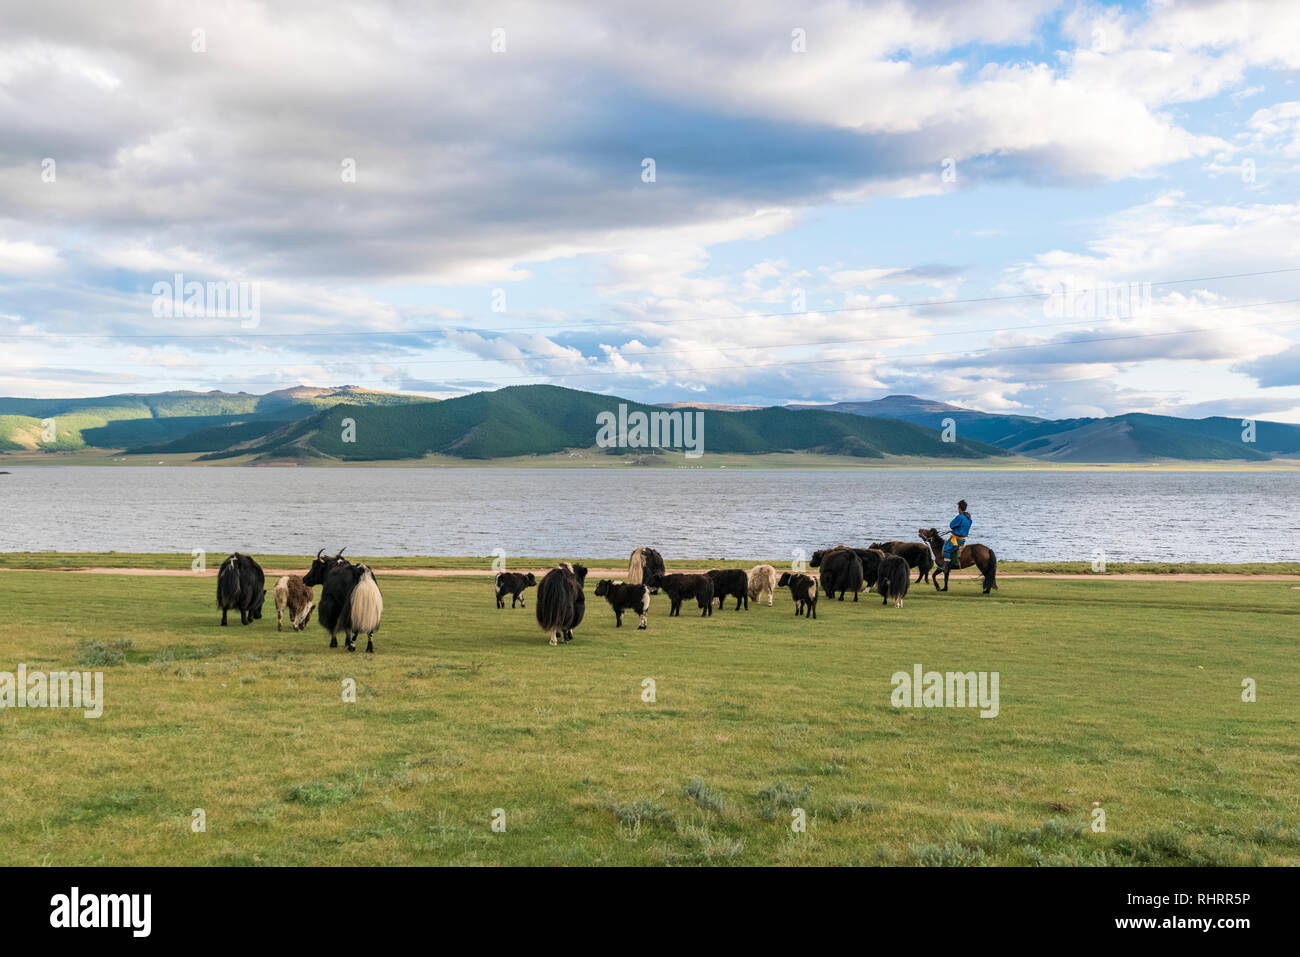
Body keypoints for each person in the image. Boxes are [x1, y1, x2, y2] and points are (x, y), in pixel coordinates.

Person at [944, 499, 972, 571]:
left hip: (957, 539)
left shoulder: (960, 517)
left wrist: (954, 529)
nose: (958, 509)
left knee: (946, 549)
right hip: (963, 539)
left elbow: (951, 525)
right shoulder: (968, 517)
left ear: (959, 508)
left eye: (958, 508)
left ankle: (946, 567)